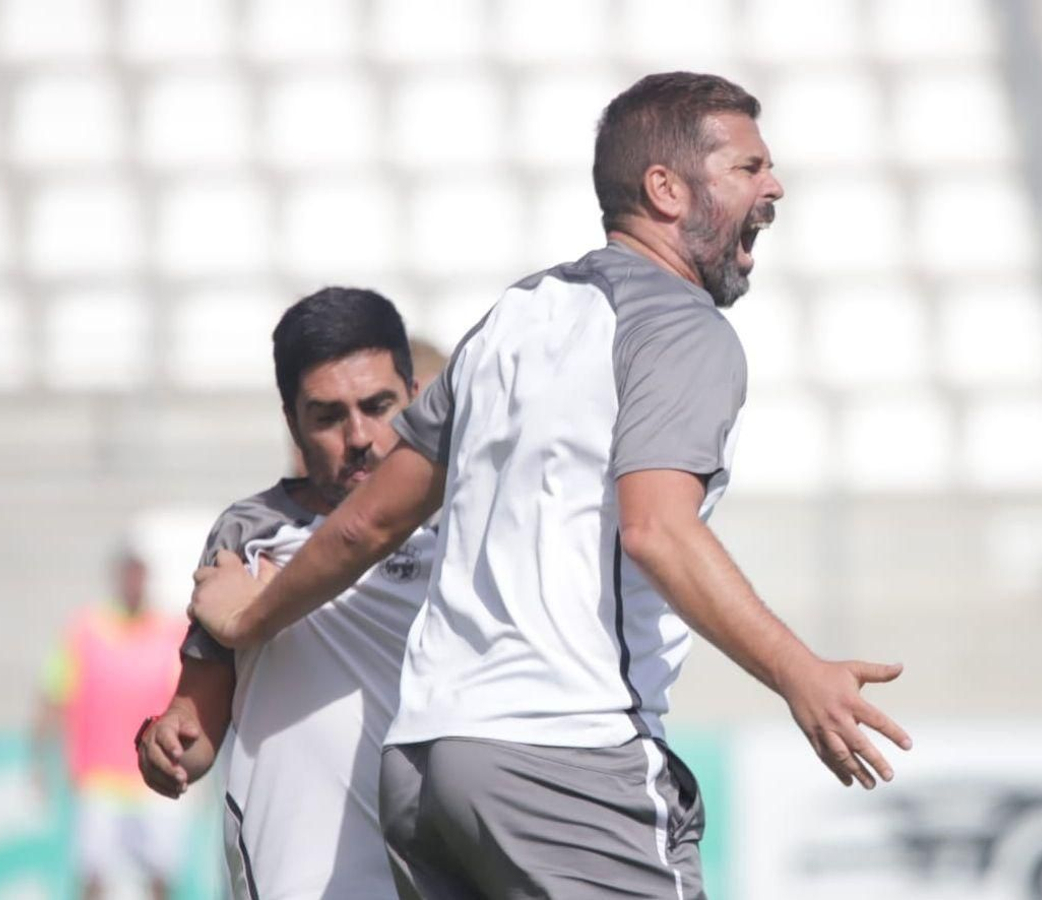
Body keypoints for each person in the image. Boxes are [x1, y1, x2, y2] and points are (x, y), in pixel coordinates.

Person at [190, 71, 912, 899]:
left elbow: (365, 523)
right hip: (565, 755)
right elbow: (657, 530)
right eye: (749, 167)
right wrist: (797, 670)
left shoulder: (517, 315)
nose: (773, 185)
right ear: (667, 190)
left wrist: (251, 614)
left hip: (426, 765)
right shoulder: (683, 330)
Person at [136, 287, 434, 900]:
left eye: (380, 406)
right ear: (292, 418)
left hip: (441, 875)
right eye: (328, 415)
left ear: (414, 396)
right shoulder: (246, 537)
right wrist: (163, 743)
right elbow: (193, 729)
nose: (359, 436)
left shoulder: (466, 523)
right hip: (292, 877)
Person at [34, 547, 189, 900]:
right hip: (99, 777)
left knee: (161, 875)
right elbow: (53, 695)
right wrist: (40, 761)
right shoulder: (84, 630)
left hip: (155, 776)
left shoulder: (170, 631)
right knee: (93, 875)